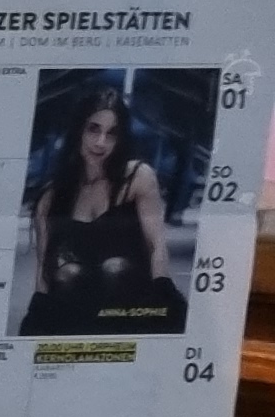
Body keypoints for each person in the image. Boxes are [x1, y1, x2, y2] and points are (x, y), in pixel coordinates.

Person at [20, 86, 179, 335]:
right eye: (93, 129)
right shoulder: (51, 197)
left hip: (132, 314)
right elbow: (43, 274)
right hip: (76, 320)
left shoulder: (138, 178)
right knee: (67, 273)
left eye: (111, 133)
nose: (101, 142)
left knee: (115, 268)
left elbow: (157, 246)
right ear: (78, 130)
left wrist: (161, 300)